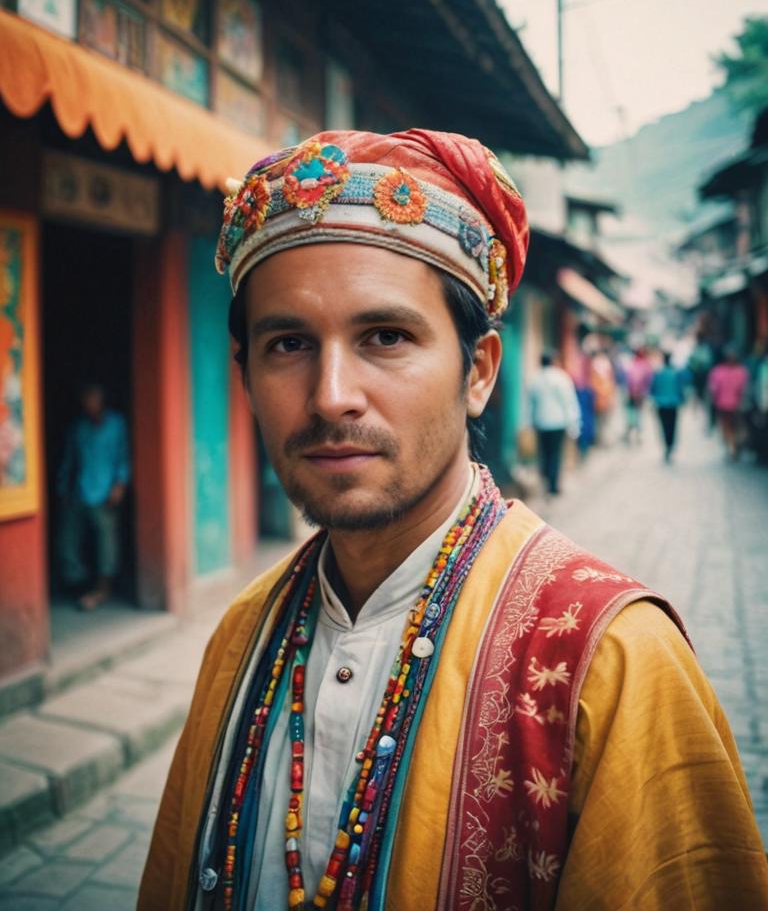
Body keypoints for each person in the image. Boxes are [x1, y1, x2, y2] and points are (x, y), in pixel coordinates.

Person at [139, 131, 767, 911]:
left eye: (386, 337)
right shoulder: (241, 638)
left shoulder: (611, 665)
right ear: (246, 376)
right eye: (289, 343)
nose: (331, 393)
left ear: (478, 372)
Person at [56, 383, 130, 610]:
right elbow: (69, 460)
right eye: (85, 398)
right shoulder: (78, 428)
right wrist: (63, 489)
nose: (89, 403)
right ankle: (80, 583)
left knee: (106, 544)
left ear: (101, 399)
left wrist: (119, 485)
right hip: (79, 491)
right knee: (68, 541)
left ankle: (102, 588)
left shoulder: (117, 424)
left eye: (93, 397)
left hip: (105, 493)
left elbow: (123, 456)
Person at [527, 352, 581, 495]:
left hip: (541, 422)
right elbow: (568, 402)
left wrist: (531, 422)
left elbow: (531, 403)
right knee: (555, 453)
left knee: (544, 452)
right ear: (553, 361)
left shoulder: (535, 379)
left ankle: (546, 479)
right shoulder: (561, 378)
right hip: (558, 422)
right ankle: (553, 485)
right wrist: (573, 424)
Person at [708, 346, 749, 460]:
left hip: (728, 404)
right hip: (732, 404)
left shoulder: (718, 371)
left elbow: (713, 389)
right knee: (731, 426)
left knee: (729, 426)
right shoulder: (741, 371)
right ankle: (733, 446)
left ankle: (732, 446)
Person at [650, 352, 688, 462]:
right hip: (673, 404)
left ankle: (667, 445)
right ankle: (670, 445)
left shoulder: (658, 374)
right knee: (672, 426)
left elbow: (653, 389)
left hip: (661, 404)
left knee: (664, 426)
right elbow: (680, 389)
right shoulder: (675, 373)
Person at [623, 346, 654, 444]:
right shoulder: (646, 365)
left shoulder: (632, 364)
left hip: (632, 393)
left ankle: (631, 433)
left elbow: (628, 379)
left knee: (631, 413)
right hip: (640, 394)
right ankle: (637, 434)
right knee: (639, 414)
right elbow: (649, 380)